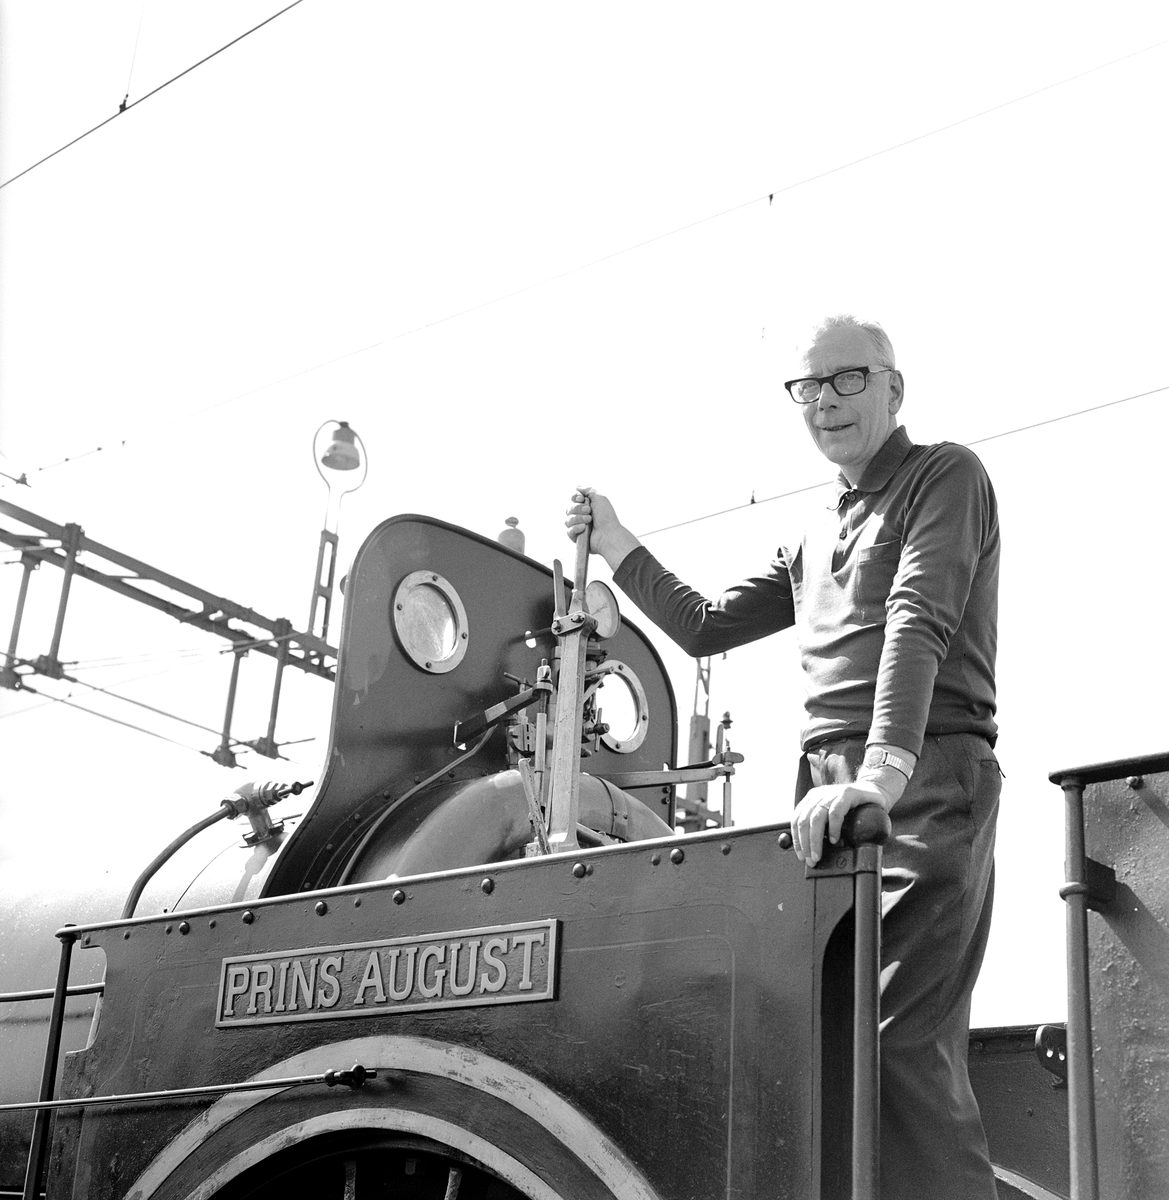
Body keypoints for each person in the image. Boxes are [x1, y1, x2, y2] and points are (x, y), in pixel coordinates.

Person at [566, 314, 1001, 1200]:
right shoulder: (813, 528)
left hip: (921, 777)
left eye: (848, 379)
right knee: (821, 1052)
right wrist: (615, 542)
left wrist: (879, 776)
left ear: (893, 388)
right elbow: (705, 626)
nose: (826, 402)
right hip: (825, 793)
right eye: (808, 386)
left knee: (897, 1047)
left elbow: (916, 619)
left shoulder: (943, 475)